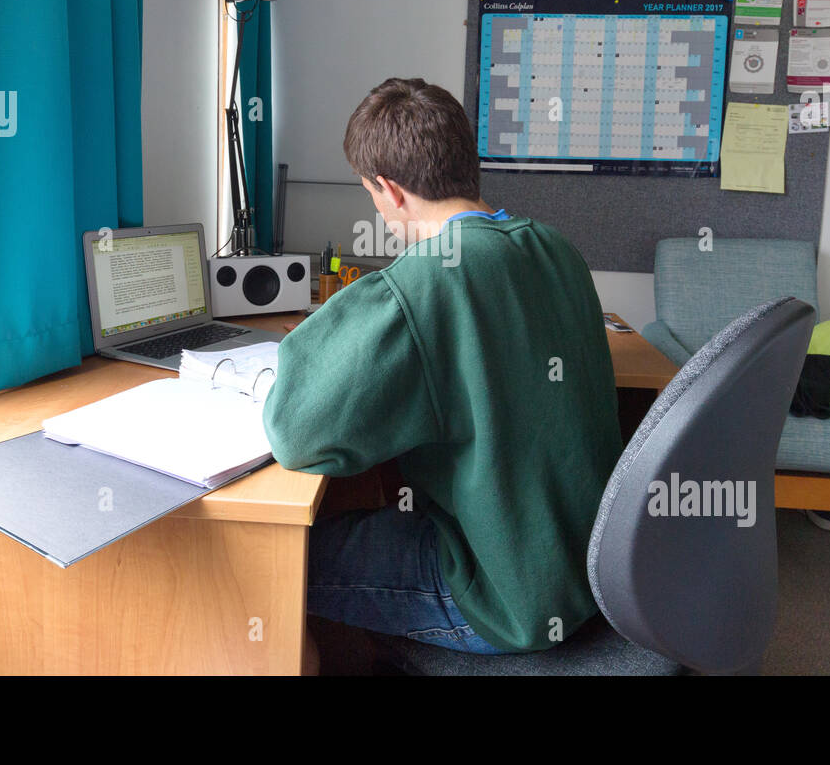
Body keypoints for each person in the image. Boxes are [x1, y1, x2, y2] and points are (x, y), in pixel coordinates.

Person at [262, 77, 622, 654]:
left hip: (505, 595)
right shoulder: (557, 248)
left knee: (275, 557)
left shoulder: (426, 280)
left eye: (371, 196)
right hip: (590, 565)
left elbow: (297, 432)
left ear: (389, 189)